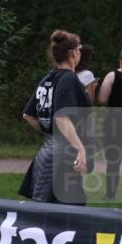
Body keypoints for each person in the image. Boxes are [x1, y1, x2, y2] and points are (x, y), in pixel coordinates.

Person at [20, 29, 90, 206]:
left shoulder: (48, 78)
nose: (80, 52)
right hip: (63, 157)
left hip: (47, 153)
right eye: (79, 48)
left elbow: (28, 115)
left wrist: (50, 132)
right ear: (73, 52)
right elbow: (61, 118)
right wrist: (80, 149)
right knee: (69, 215)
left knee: (47, 212)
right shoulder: (69, 79)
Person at [98, 49, 122, 200]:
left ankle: (111, 195)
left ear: (120, 60)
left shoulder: (112, 76)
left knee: (113, 161)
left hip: (114, 121)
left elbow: (102, 99)